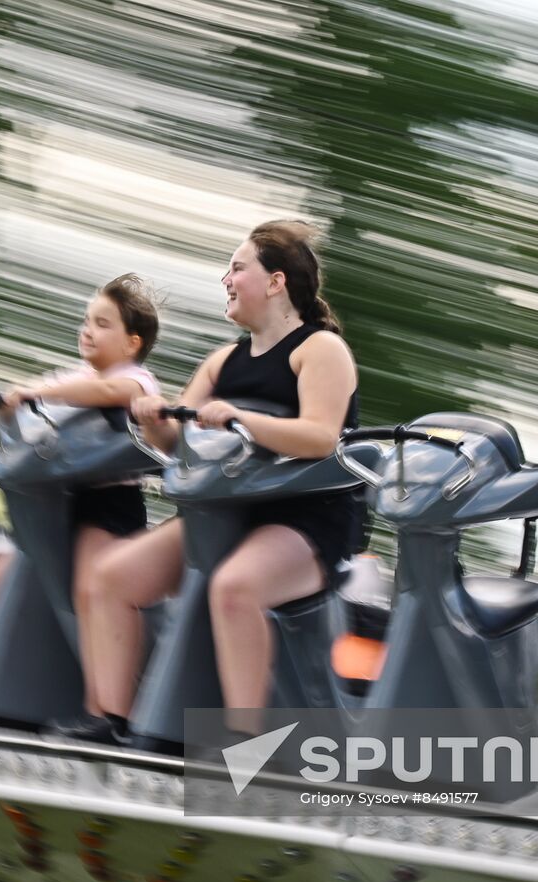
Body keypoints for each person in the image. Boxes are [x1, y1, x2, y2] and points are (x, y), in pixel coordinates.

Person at [66, 220, 359, 744]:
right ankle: (116, 722)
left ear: (275, 282)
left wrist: (240, 420)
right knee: (110, 577)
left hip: (305, 521)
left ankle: (249, 748)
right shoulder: (223, 360)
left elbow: (320, 437)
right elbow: (176, 443)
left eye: (237, 268)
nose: (225, 279)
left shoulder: (320, 350)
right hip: (225, 514)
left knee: (234, 588)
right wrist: (155, 420)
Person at [0, 273, 162, 677]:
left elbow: (111, 395)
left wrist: (37, 394)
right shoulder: (77, 378)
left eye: (102, 324)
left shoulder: (138, 380)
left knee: (91, 592)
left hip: (108, 509)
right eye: (87, 321)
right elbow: (26, 397)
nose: (88, 331)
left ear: (132, 343)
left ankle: (106, 701)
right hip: (58, 507)